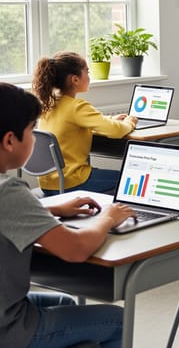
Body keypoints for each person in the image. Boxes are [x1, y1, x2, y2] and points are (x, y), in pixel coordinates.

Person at [0, 82, 135, 348]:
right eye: (32, 130)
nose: (35, 137)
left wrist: (49, 210)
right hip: (8, 329)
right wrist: (107, 217)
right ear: (9, 140)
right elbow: (75, 250)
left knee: (64, 302)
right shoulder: (9, 192)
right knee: (118, 321)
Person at [32, 52, 136, 194]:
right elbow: (116, 131)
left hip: (49, 183)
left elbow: (75, 125)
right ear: (75, 79)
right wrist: (130, 122)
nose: (89, 76)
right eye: (87, 71)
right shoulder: (77, 107)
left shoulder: (50, 103)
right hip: (71, 181)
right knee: (132, 180)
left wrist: (111, 119)